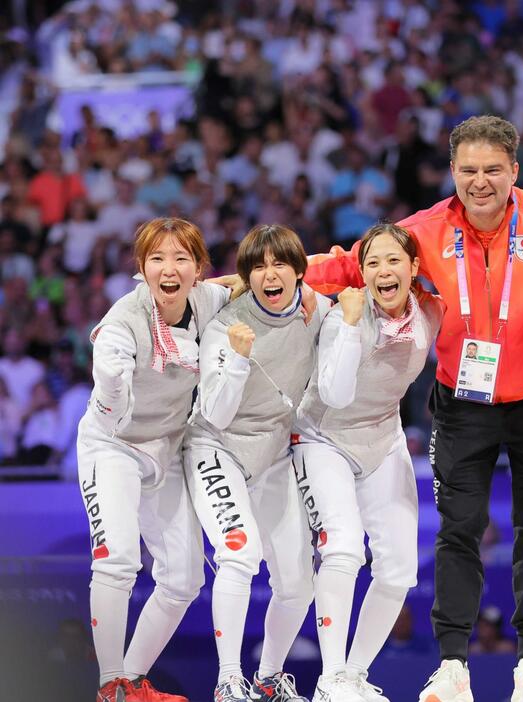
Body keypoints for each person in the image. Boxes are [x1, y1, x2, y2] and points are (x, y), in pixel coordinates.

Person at [303, 115, 523, 702]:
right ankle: (453, 665)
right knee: (458, 530)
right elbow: (341, 266)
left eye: (492, 170)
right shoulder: (424, 232)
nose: (479, 182)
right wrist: (236, 282)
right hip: (462, 402)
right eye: (467, 170)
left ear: (515, 169)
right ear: (451, 171)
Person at [77, 217, 230, 702]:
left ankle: (133, 682)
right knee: (118, 560)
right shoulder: (123, 322)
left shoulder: (208, 301)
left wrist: (339, 269)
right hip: (113, 445)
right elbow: (110, 401)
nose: (169, 268)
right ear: (141, 268)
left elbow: (265, 275)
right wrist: (113, 380)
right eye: (157, 258)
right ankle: (108, 684)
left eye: (181, 258)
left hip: (167, 446)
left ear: (198, 268)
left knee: (185, 579)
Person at [293, 223, 444, 702]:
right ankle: (331, 676)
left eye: (393, 260)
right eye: (372, 262)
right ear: (361, 272)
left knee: (399, 569)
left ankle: (353, 676)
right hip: (322, 435)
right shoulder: (342, 316)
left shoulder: (432, 311)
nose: (383, 271)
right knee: (342, 549)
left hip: (384, 437)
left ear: (415, 268)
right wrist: (353, 326)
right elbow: (336, 394)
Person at [184, 224, 330, 702]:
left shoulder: (316, 308)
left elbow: (340, 275)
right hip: (217, 445)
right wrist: (240, 359)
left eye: (279, 264)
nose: (270, 275)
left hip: (273, 453)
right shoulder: (226, 324)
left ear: (297, 272)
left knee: (297, 582)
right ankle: (229, 681)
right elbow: (216, 411)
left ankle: (268, 681)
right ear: (246, 277)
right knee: (239, 552)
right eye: (258, 267)